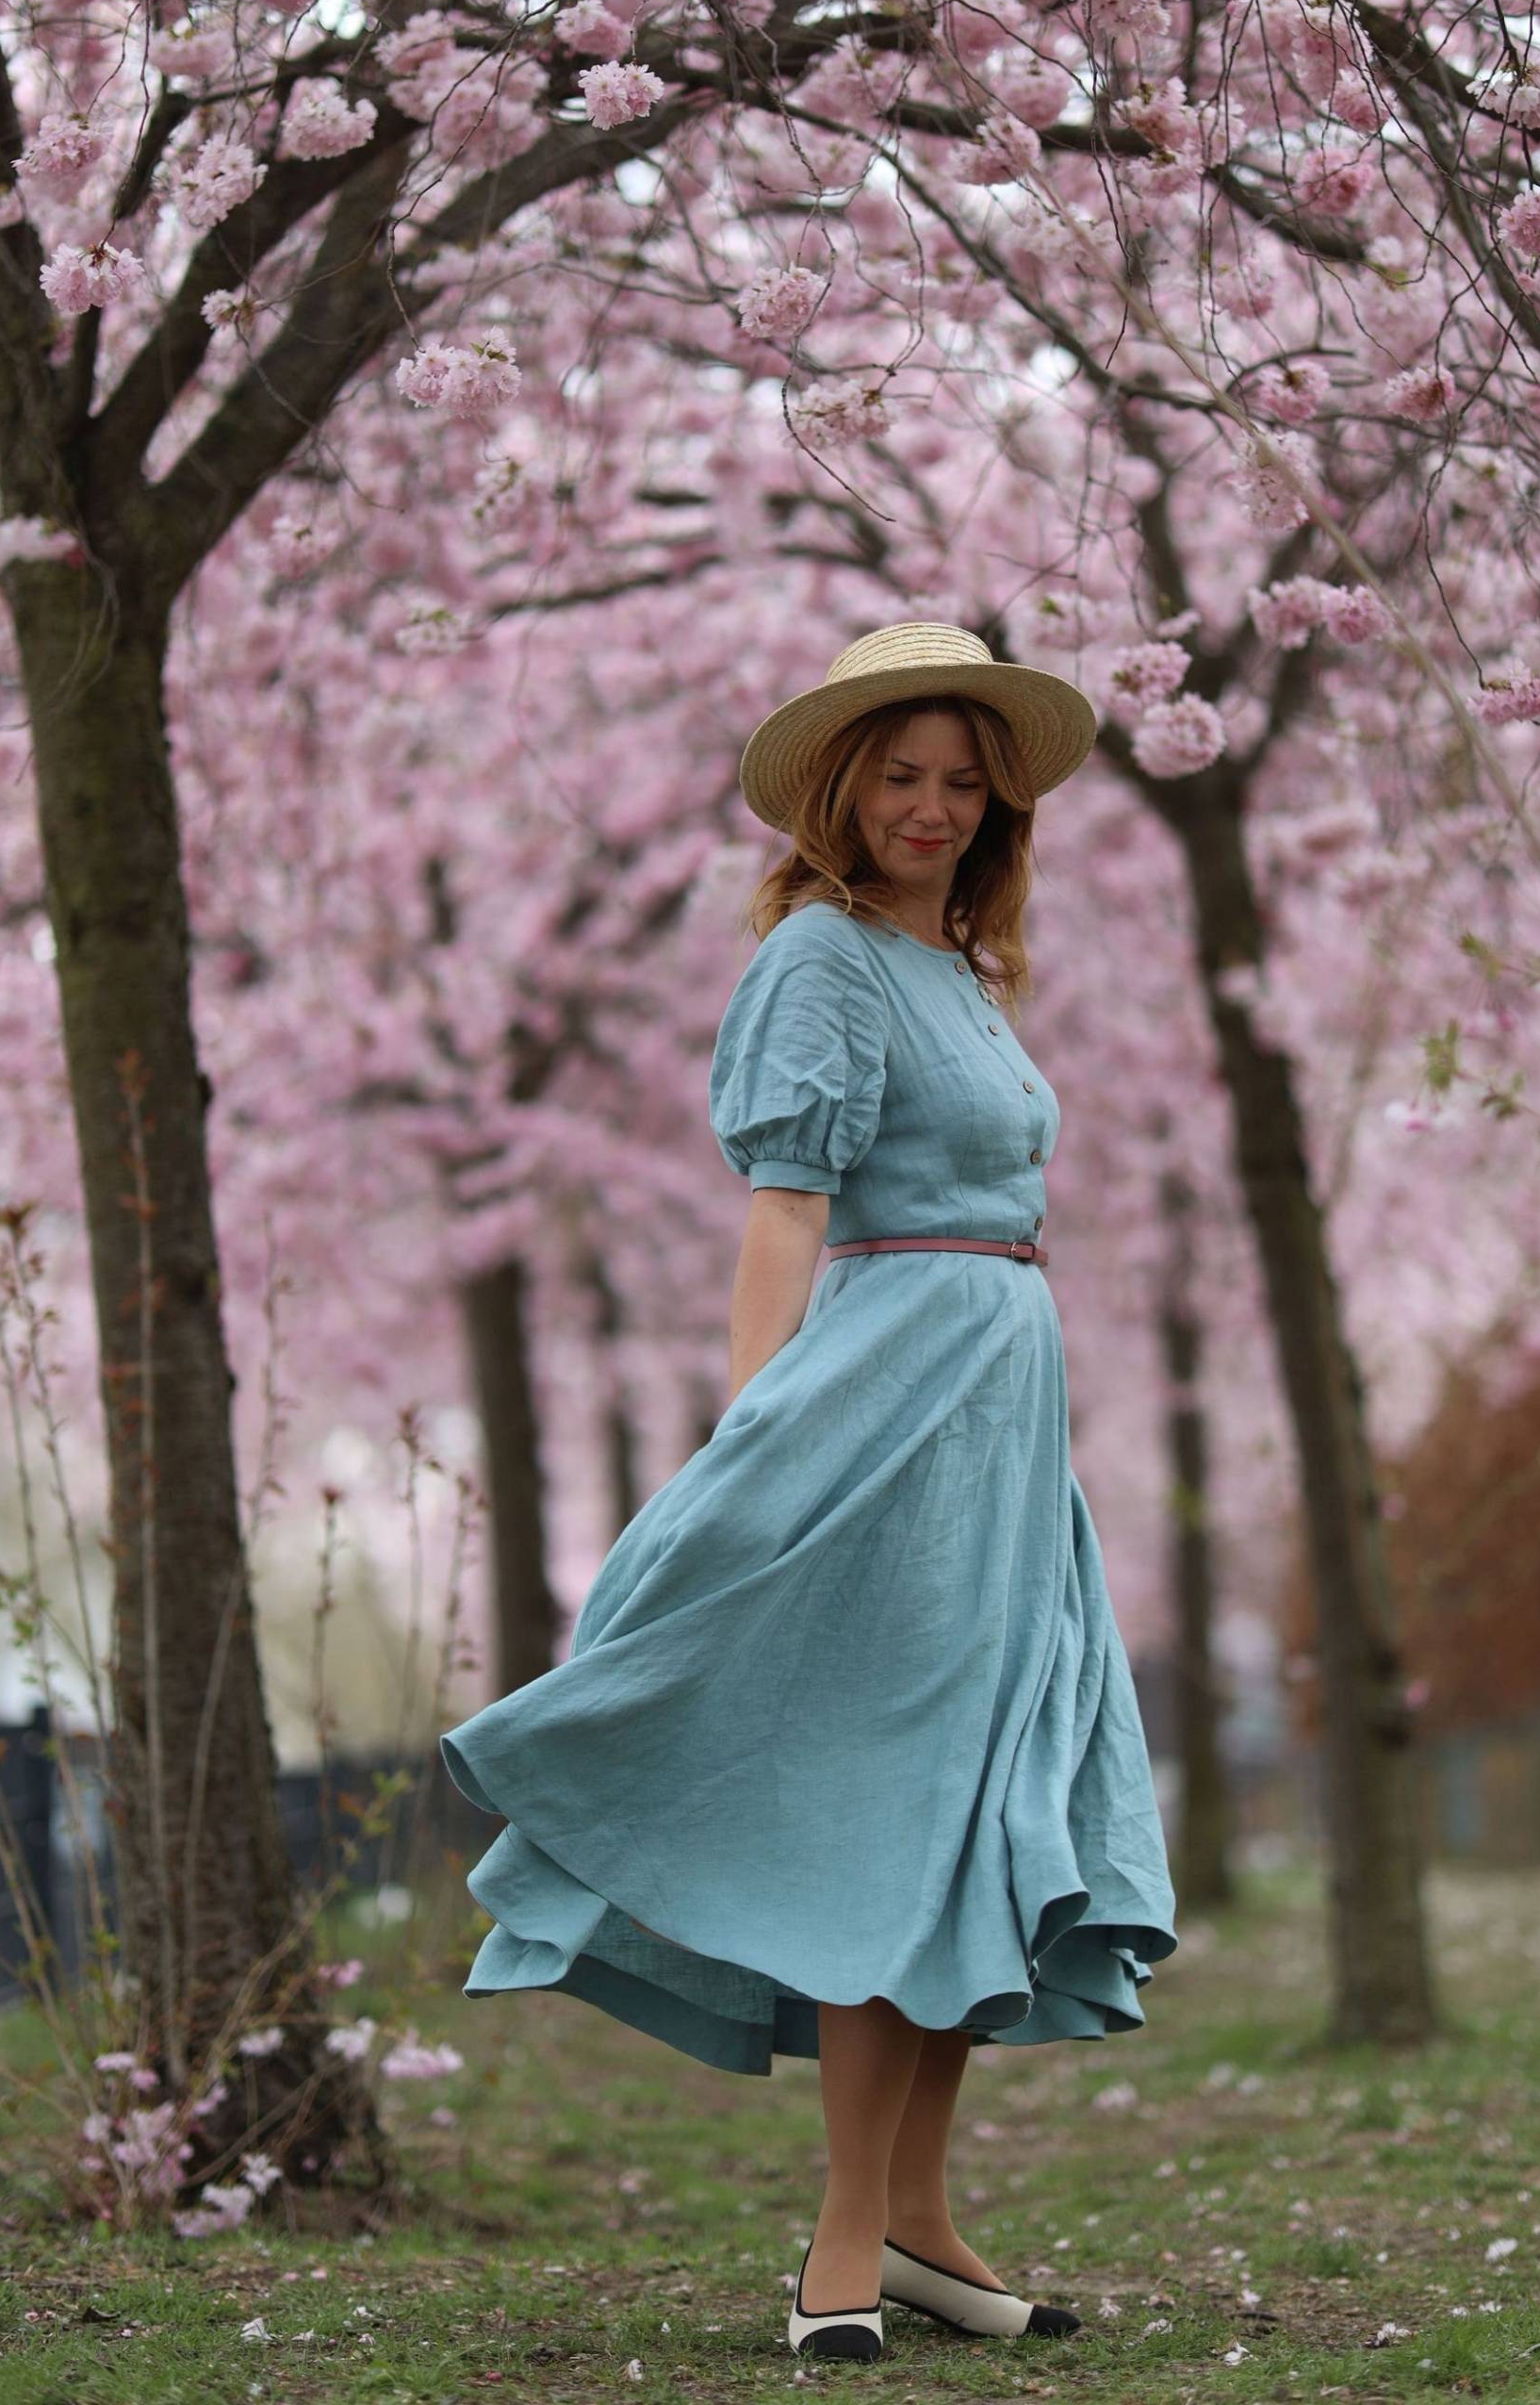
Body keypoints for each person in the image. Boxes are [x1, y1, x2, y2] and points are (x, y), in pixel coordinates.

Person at [440, 619, 1178, 2363]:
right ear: (839, 794)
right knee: (891, 1818)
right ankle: (843, 2242)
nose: (930, 806)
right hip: (886, 1414)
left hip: (1003, 1424)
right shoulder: (823, 963)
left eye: (958, 779)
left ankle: (923, 2226)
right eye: (899, 776)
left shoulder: (972, 975)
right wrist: (759, 1432)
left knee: (987, 1822)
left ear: (995, 802)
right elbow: (785, 1214)